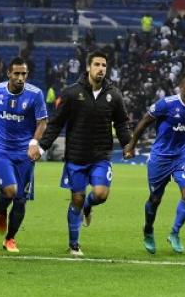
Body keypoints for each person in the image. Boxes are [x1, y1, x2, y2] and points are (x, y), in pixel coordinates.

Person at [38, 50, 131, 257]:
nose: (101, 69)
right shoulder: (71, 93)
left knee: (100, 194)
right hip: (76, 157)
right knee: (76, 199)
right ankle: (74, 244)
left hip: (101, 156)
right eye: (97, 64)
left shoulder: (114, 95)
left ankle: (89, 206)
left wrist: (127, 145)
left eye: (104, 65)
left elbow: (122, 123)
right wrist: (42, 146)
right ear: (88, 67)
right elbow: (57, 123)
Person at [123, 72, 185, 255]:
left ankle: (175, 233)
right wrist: (131, 145)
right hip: (161, 158)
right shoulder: (167, 104)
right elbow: (143, 123)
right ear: (182, 88)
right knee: (155, 199)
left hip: (182, 156)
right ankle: (148, 229)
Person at [0, 57, 47, 254]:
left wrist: (34, 143)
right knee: (10, 191)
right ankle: (0, 210)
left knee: (21, 199)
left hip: (25, 153)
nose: (20, 77)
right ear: (8, 74)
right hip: (1, 149)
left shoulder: (35, 95)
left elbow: (42, 122)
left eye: (24, 74)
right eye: (16, 73)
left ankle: (10, 238)